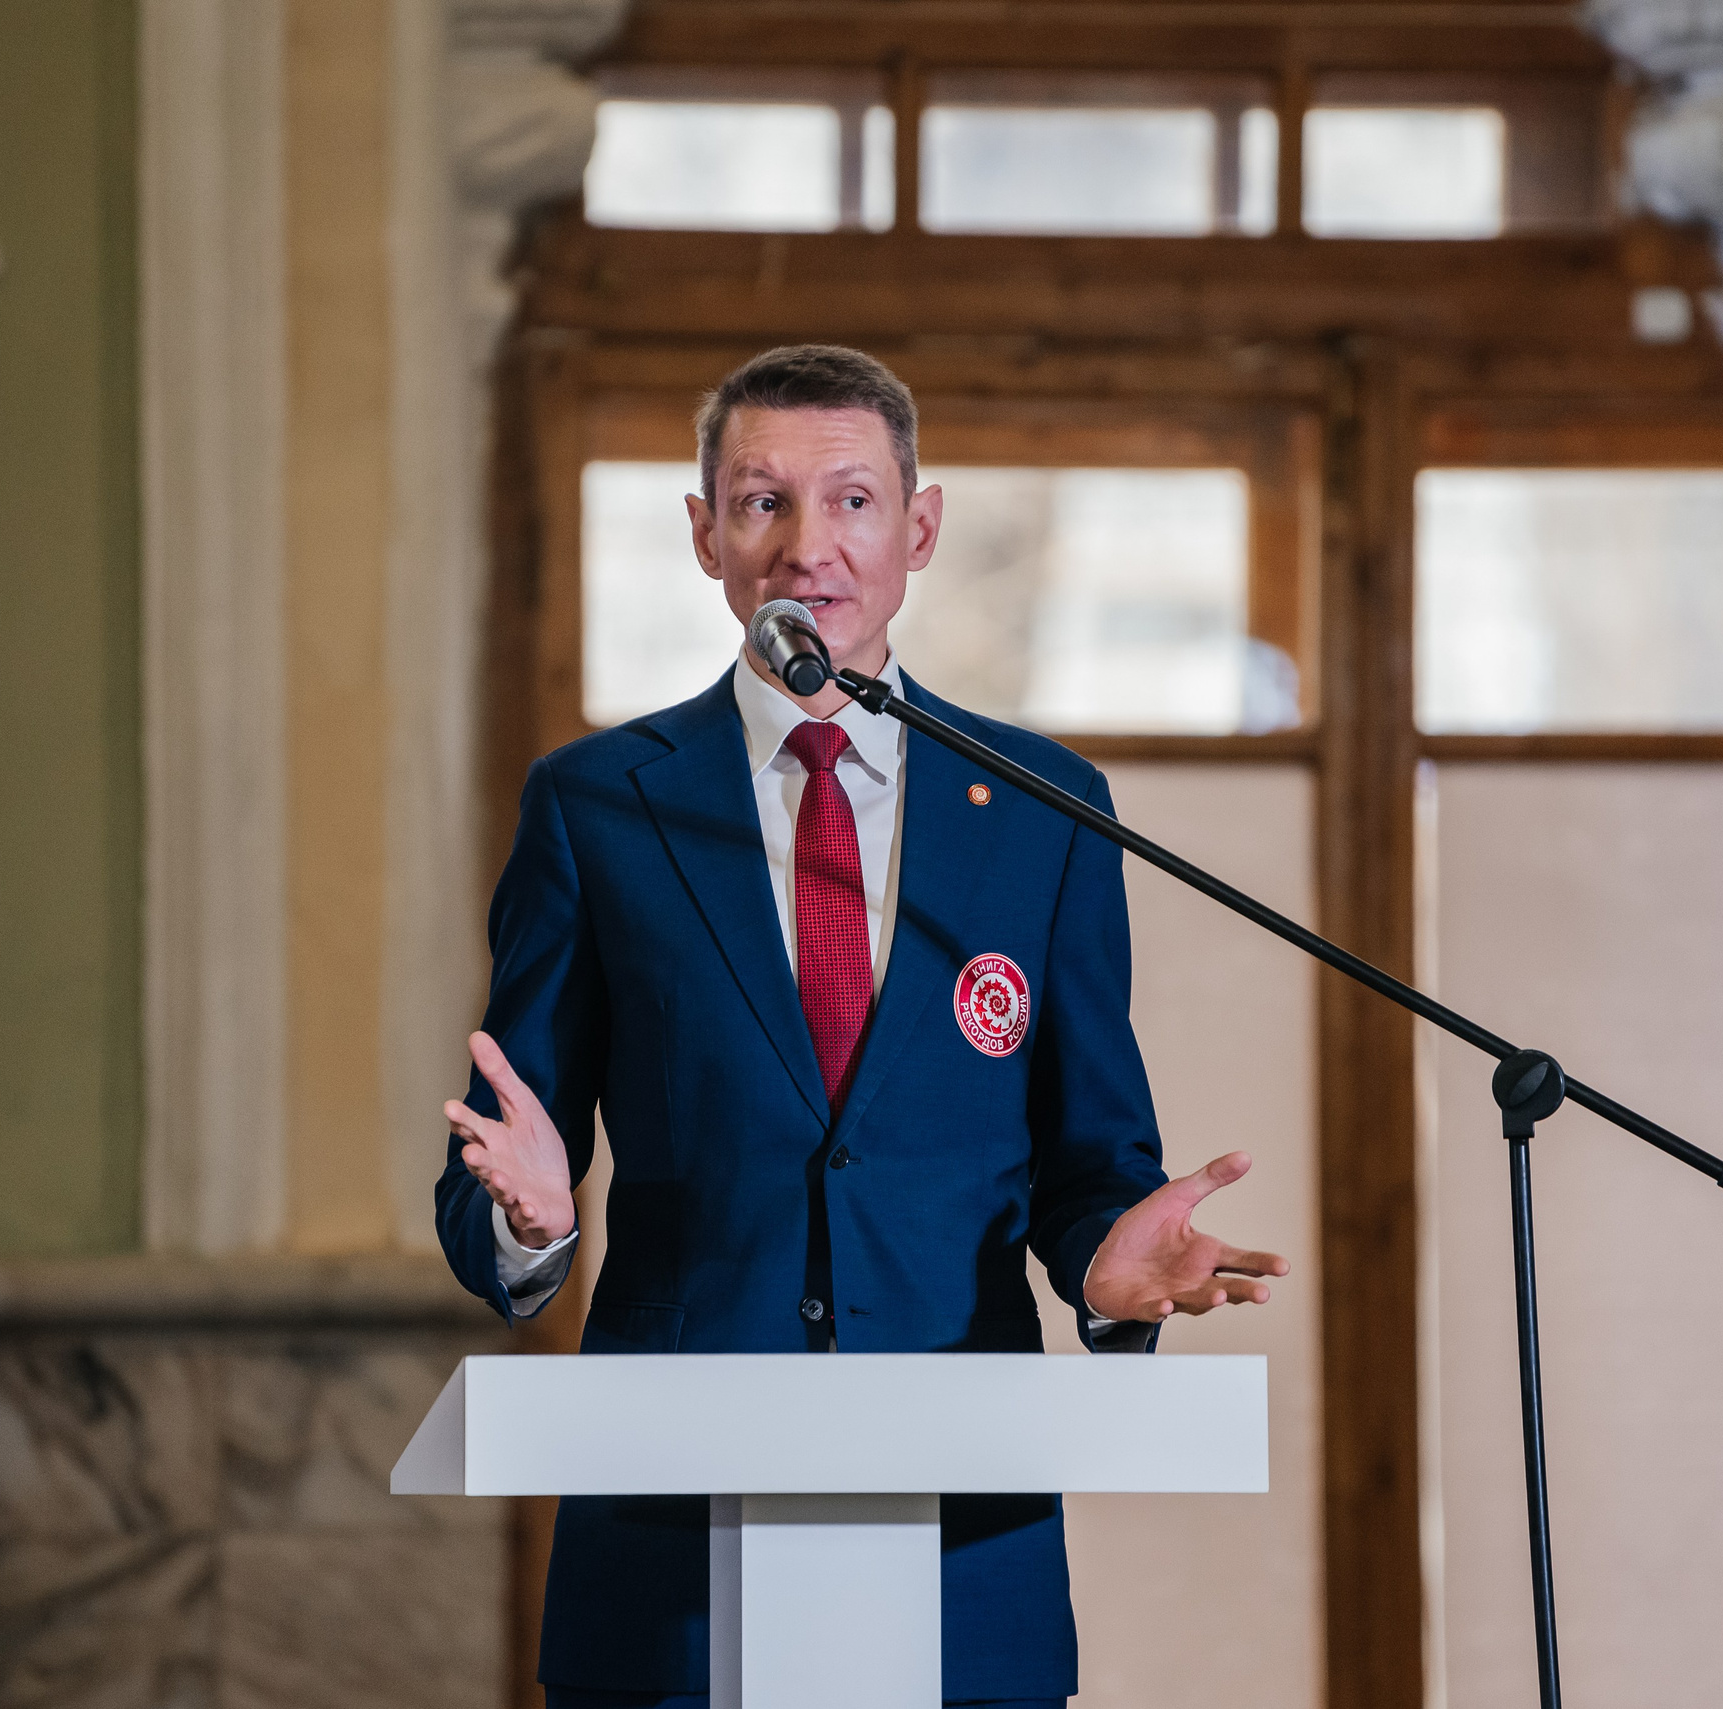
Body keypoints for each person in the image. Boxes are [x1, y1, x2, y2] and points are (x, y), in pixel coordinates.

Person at [433, 344, 1288, 1709]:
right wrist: (532, 1221)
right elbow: (507, 1148)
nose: (805, 547)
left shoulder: (1047, 811)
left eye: (851, 501)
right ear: (705, 531)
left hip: (960, 1544)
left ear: (921, 527)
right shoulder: (597, 806)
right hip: (672, 1539)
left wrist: (1111, 1267)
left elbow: (1088, 1161)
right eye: (761, 501)